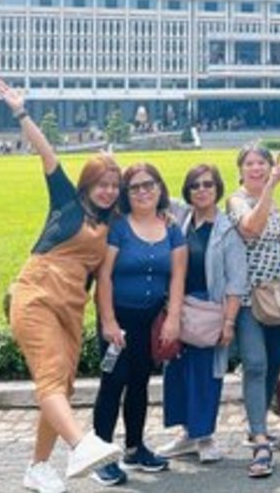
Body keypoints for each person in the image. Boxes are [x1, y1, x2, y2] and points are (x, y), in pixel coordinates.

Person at [0, 77, 123, 493]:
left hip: (71, 308)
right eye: (101, 184)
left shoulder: (109, 223)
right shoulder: (66, 201)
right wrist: (20, 110)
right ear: (87, 185)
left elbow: (151, 209)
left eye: (113, 185)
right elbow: (45, 150)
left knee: (60, 386)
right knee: (50, 378)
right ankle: (80, 444)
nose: (107, 191)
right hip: (35, 296)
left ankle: (38, 467)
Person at [90, 163, 183, 486]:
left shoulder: (171, 228)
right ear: (127, 195)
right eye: (135, 187)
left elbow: (177, 278)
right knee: (113, 383)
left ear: (159, 187)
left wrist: (173, 318)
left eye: (149, 184)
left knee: (140, 383)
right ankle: (100, 455)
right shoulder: (119, 227)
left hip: (150, 320)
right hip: (118, 320)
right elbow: (104, 275)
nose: (143, 191)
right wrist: (109, 321)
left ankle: (134, 447)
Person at [158, 164, 248, 465]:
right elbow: (153, 192)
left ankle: (206, 435)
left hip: (209, 313)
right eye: (195, 185)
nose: (202, 190)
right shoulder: (181, 219)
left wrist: (229, 322)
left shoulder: (227, 230)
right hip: (178, 310)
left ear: (217, 188)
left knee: (206, 376)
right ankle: (187, 435)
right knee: (178, 373)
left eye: (208, 184)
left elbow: (237, 282)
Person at [226, 142, 280, 478]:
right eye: (249, 163)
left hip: (276, 297)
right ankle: (260, 441)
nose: (256, 168)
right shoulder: (237, 200)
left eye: (261, 163)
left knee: (274, 363)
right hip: (249, 298)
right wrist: (269, 189)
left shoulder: (275, 202)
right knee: (255, 363)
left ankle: (258, 423)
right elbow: (250, 228)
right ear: (240, 170)